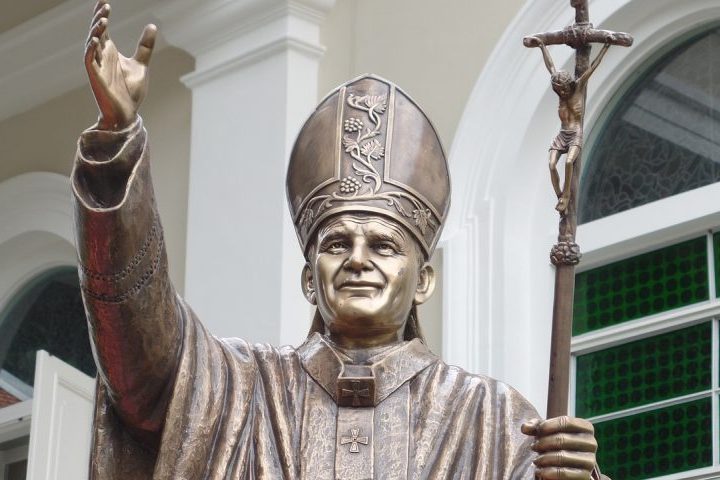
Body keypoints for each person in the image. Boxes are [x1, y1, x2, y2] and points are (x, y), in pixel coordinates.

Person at [76, 2, 607, 478]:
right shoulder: (241, 388)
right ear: (309, 280)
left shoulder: (491, 419)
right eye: (336, 245)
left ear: (424, 281)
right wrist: (118, 141)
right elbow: (137, 345)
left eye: (383, 246)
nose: (358, 260)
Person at [525, 36, 611, 214]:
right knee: (551, 165)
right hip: (562, 135)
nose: (562, 92)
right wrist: (542, 46)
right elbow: (551, 67)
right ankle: (560, 195)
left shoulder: (578, 88)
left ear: (569, 84)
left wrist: (606, 47)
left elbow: (592, 67)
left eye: (564, 88)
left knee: (569, 161)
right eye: (558, 90)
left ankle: (566, 194)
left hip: (575, 134)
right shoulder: (561, 94)